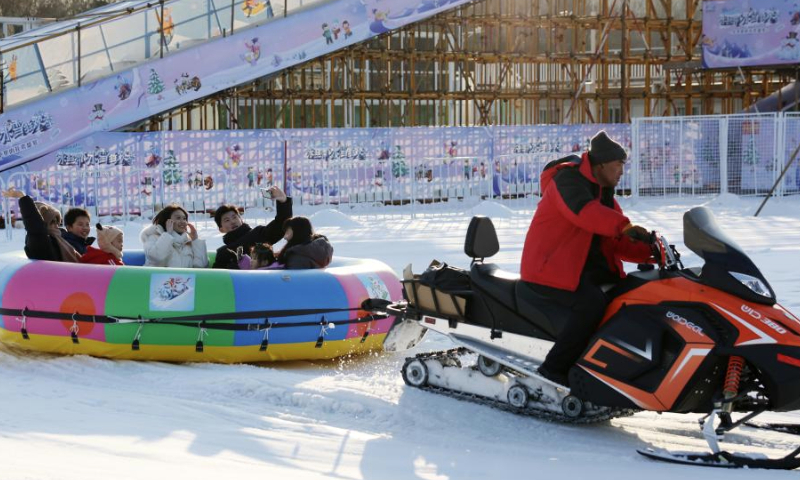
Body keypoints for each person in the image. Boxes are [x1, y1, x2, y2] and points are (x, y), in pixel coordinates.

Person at [519, 131, 653, 387]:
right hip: (548, 270)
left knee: (627, 295)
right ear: (601, 164)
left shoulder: (603, 195)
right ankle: (553, 370)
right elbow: (586, 213)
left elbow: (617, 239)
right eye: (618, 165)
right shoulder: (567, 181)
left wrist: (650, 250)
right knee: (591, 303)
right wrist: (624, 227)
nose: (622, 172)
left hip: (579, 269)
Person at [212, 185, 292, 269]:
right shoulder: (223, 252)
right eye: (227, 220)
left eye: (234, 217)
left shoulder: (257, 235)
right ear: (221, 229)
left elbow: (280, 225)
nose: (232, 221)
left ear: (241, 220)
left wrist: (283, 201)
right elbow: (216, 277)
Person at [140, 204, 208, 268]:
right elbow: (157, 258)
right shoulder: (154, 238)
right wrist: (167, 235)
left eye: (184, 218)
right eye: (178, 218)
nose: (183, 221)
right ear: (167, 221)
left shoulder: (188, 242)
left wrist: (195, 240)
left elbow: (200, 266)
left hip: (185, 280)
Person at [18, 195, 81, 262]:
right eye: (52, 222)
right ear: (44, 224)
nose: (56, 226)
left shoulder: (60, 238)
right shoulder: (39, 240)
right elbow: (35, 226)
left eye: (57, 222)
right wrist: (23, 198)